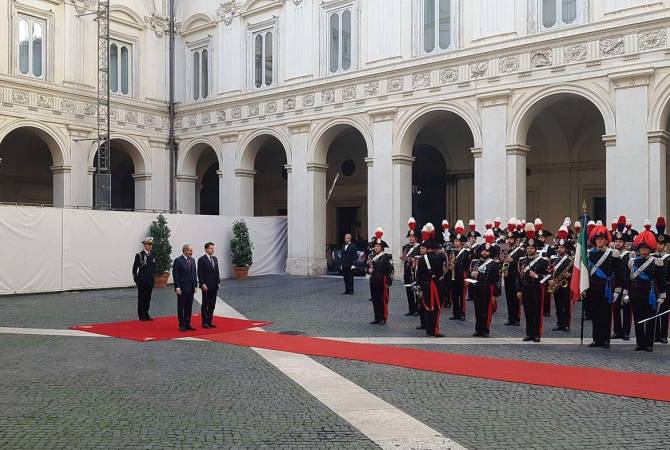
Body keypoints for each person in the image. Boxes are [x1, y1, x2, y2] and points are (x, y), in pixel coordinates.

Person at [629, 224, 666, 352]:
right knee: (638, 318)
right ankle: (640, 343)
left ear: (649, 249)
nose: (643, 250)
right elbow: (630, 279)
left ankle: (649, 343)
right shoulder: (633, 262)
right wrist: (626, 293)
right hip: (636, 292)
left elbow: (661, 279)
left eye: (645, 248)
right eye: (641, 248)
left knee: (650, 318)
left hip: (649, 293)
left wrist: (662, 294)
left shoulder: (656, 261)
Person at [586, 225, 617, 349]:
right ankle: (596, 339)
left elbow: (618, 273)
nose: (600, 241)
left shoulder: (612, 254)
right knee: (595, 315)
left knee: (606, 315)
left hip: (606, 288)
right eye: (598, 239)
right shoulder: (590, 255)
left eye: (602, 239)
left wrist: (617, 290)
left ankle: (605, 340)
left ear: (606, 240)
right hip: (593, 288)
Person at [517, 223, 550, 343]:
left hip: (536, 289)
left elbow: (547, 276)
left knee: (537, 312)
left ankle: (537, 334)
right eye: (528, 248)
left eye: (531, 248)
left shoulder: (542, 261)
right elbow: (519, 276)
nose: (529, 250)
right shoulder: (522, 260)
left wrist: (536, 276)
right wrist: (519, 290)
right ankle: (529, 333)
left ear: (536, 249)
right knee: (528, 312)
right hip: (525, 288)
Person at [469, 230, 501, 338]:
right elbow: (471, 274)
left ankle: (485, 329)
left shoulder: (494, 264)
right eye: (483, 251)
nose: (484, 253)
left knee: (487, 311)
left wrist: (495, 294)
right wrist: (472, 275)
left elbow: (497, 279)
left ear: (490, 253)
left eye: (486, 251)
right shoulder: (475, 262)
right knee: (478, 310)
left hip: (488, 288)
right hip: (477, 288)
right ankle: (478, 329)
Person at [416, 227, 446, 338]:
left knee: (427, 308)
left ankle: (429, 330)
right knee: (436, 309)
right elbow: (445, 264)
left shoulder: (421, 259)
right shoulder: (441, 257)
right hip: (437, 285)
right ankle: (435, 330)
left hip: (426, 286)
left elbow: (419, 275)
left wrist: (421, 286)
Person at [367, 228, 393, 325]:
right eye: (375, 246)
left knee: (382, 300)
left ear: (382, 247)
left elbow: (390, 271)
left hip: (383, 280)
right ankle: (376, 317)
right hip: (373, 280)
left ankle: (383, 318)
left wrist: (389, 283)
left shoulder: (387, 256)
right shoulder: (371, 256)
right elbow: (367, 268)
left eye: (378, 246)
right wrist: (368, 271)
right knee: (375, 299)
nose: (376, 248)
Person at [611, 224, 632, 340]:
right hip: (616, 287)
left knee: (627, 311)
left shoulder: (629, 255)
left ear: (624, 243)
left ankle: (626, 332)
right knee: (616, 309)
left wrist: (626, 289)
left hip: (626, 287)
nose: (618, 243)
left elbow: (629, 274)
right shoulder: (613, 254)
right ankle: (617, 331)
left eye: (620, 241)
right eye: (616, 241)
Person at [502, 221, 525, 326]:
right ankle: (510, 317)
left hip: (516, 276)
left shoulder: (520, 251)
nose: (509, 240)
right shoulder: (504, 248)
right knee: (508, 297)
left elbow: (522, 264)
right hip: (507, 275)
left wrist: (513, 261)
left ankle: (516, 318)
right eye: (508, 239)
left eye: (511, 239)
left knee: (515, 298)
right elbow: (501, 260)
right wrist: (502, 261)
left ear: (516, 240)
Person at [551, 228, 573, 332]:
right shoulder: (553, 259)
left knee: (566, 305)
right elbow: (550, 271)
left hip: (566, 284)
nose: (560, 249)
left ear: (566, 249)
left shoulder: (569, 260)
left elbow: (575, 273)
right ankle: (559, 323)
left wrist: (569, 274)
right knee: (558, 305)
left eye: (562, 248)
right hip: (556, 284)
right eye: (559, 247)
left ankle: (566, 324)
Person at [173, 244, 198, 332]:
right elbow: (175, 276)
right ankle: (182, 324)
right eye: (190, 250)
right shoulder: (178, 261)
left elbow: (194, 274)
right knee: (181, 306)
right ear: (184, 250)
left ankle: (188, 323)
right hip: (182, 289)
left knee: (189, 307)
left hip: (191, 288)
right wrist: (177, 287)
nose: (191, 252)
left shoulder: (192, 260)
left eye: (192, 250)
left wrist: (195, 285)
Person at [449, 220, 470, 321]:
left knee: (462, 295)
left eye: (457, 241)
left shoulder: (465, 253)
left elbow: (468, 266)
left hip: (462, 274)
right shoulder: (452, 251)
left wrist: (467, 279)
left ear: (461, 243)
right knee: (454, 294)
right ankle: (455, 312)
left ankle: (462, 313)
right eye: (455, 241)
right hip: (453, 275)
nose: (455, 243)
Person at [653, 217, 670, 344]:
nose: (659, 246)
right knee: (654, 311)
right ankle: (655, 334)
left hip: (666, 288)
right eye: (658, 244)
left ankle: (663, 335)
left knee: (664, 312)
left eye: (661, 244)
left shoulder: (668, 258)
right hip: (653, 288)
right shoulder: (651, 257)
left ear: (665, 246)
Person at [132, 237, 156, 321]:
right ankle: (141, 315)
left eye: (151, 244)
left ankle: (146, 313)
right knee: (142, 298)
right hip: (142, 281)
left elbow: (153, 268)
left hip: (150, 281)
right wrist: (137, 281)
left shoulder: (152, 254)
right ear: (145, 245)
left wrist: (153, 279)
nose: (150, 246)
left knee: (148, 298)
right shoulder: (139, 255)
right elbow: (134, 269)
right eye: (149, 244)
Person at [197, 242, 220, 329]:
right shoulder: (201, 260)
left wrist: (218, 282)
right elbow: (200, 273)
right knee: (205, 304)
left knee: (212, 304)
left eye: (213, 248)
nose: (212, 250)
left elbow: (217, 272)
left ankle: (210, 321)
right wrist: (202, 284)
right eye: (211, 248)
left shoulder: (215, 258)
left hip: (214, 285)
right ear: (206, 249)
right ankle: (204, 322)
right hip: (206, 286)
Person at [400, 218, 420, 316]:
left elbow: (419, 259)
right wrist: (405, 258)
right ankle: (411, 308)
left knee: (415, 290)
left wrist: (412, 260)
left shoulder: (419, 247)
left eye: (413, 237)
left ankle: (417, 309)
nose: (411, 238)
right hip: (407, 271)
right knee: (408, 290)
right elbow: (403, 258)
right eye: (410, 237)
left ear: (416, 238)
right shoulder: (405, 247)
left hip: (415, 272)